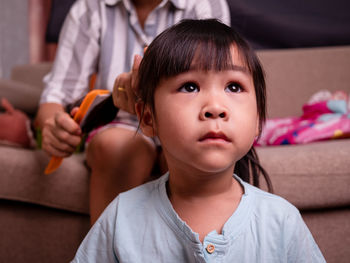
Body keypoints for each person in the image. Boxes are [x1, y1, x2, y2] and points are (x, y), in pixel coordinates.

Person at [71, 19, 325, 262]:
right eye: (190, 87)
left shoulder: (281, 220)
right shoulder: (120, 218)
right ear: (148, 118)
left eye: (234, 87)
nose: (215, 107)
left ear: (257, 121)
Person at [35, 0, 230, 224]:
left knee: (193, 151)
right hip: (121, 125)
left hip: (188, 121)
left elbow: (213, 83)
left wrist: (149, 88)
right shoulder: (90, 7)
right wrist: (53, 124)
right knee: (117, 147)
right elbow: (57, 95)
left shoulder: (206, 4)